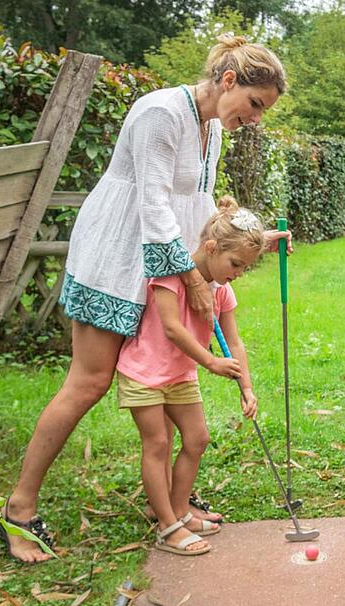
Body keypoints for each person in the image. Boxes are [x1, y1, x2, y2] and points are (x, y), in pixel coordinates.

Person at [0, 35, 290, 563]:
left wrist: (238, 242)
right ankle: (18, 508)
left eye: (262, 111)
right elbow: (152, 204)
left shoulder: (212, 131)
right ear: (229, 80)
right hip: (117, 257)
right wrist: (195, 281)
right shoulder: (159, 112)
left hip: (163, 267)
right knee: (89, 382)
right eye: (255, 104)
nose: (256, 118)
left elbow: (195, 207)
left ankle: (172, 505)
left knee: (170, 386)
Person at [118, 197, 262, 556]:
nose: (238, 273)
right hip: (145, 372)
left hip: (180, 375)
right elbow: (171, 328)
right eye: (235, 263)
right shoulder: (170, 275)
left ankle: (180, 512)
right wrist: (211, 363)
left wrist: (247, 387)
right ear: (211, 248)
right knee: (158, 445)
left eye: (244, 268)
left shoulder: (222, 290)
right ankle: (167, 527)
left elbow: (234, 340)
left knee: (197, 439)